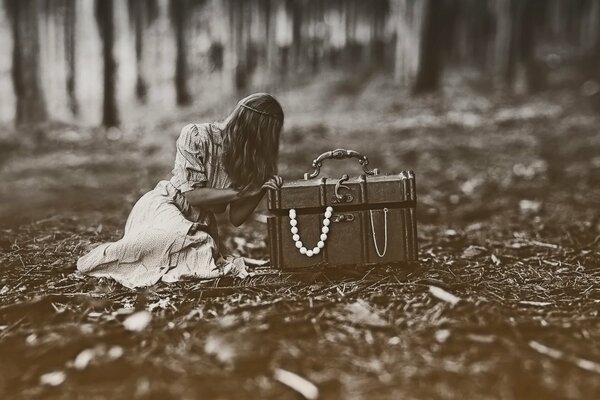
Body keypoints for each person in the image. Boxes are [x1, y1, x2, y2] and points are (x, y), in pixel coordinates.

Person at [77, 93, 284, 288]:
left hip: (200, 222)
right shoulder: (196, 135)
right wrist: (241, 192)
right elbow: (192, 196)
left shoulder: (249, 159)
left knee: (200, 248)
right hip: (166, 204)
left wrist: (259, 189)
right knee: (185, 242)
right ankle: (99, 257)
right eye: (265, 135)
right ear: (250, 126)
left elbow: (236, 218)